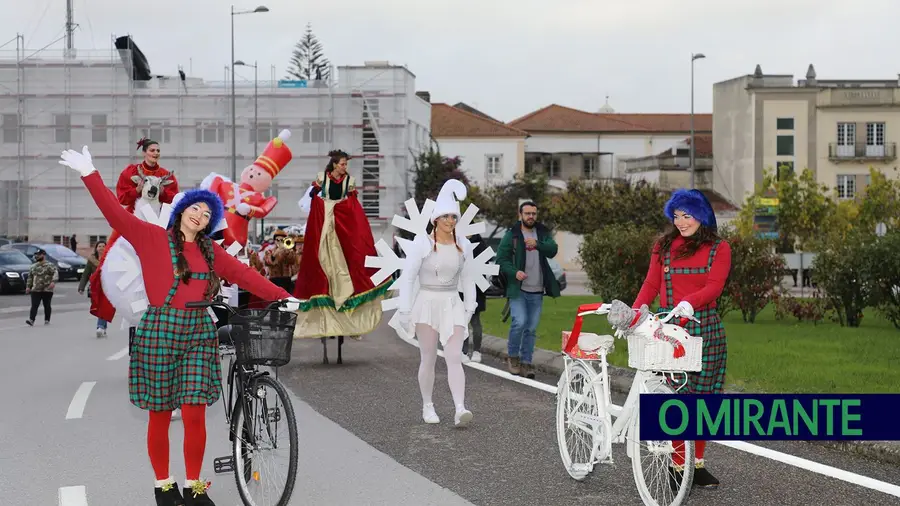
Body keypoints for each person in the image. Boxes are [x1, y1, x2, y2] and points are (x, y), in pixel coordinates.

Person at [59, 145, 300, 506]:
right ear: (181, 211)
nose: (200, 215)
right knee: (159, 414)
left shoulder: (210, 252)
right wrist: (89, 174)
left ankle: (195, 487)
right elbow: (113, 213)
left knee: (194, 415)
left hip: (197, 333)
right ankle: (164, 486)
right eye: (196, 208)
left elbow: (245, 275)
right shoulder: (150, 237)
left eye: (207, 213)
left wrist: (282, 294)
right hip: (159, 330)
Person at [632, 188, 732, 490]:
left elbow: (715, 285)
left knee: (702, 403)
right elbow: (651, 283)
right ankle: (677, 465)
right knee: (674, 400)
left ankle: (696, 464)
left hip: (705, 329)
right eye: (676, 216)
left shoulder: (719, 247)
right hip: (669, 330)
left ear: (702, 215)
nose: (681, 222)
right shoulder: (663, 246)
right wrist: (635, 313)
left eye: (687, 215)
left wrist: (692, 301)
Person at [391, 180, 477, 427]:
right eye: (446, 216)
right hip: (427, 302)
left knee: (454, 356)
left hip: (452, 302)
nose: (451, 220)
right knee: (428, 357)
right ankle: (428, 405)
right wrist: (405, 309)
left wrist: (470, 306)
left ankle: (460, 408)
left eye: (454, 216)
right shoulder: (422, 243)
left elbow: (468, 277)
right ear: (436, 219)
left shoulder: (464, 245)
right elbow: (408, 277)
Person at [293, 149, 392, 339]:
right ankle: (325, 317)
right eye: (342, 164)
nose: (345, 167)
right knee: (324, 260)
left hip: (341, 223)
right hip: (325, 223)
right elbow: (314, 199)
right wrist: (320, 202)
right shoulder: (322, 179)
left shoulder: (349, 182)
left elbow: (353, 207)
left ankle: (350, 319)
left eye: (346, 164)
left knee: (349, 259)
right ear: (334, 164)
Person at [89, 137, 180, 327]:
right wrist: (137, 189)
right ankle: (103, 307)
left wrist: (161, 192)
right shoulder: (130, 172)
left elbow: (174, 199)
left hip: (157, 223)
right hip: (131, 221)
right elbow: (121, 197)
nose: (156, 153)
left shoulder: (166, 174)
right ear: (144, 152)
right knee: (106, 257)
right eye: (152, 150)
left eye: (158, 151)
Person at [495, 200, 560, 379]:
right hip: (518, 290)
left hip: (537, 290)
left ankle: (526, 362)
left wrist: (538, 244)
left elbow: (553, 250)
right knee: (519, 322)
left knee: (531, 328)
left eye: (533, 214)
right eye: (527, 214)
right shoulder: (513, 235)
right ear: (520, 215)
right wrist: (514, 272)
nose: (531, 217)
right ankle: (513, 356)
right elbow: (501, 260)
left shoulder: (542, 232)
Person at [461, 233, 488, 363]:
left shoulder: (477, 245)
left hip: (475, 288)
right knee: (462, 321)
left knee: (474, 321)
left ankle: (475, 351)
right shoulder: (460, 242)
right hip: (461, 288)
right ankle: (464, 350)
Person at [78, 240, 109, 337]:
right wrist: (81, 287)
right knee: (99, 307)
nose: (101, 248)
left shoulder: (110, 259)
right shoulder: (91, 260)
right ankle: (103, 327)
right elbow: (86, 274)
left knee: (103, 307)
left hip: (107, 287)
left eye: (103, 246)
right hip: (95, 288)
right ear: (96, 248)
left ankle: (100, 326)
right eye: (99, 246)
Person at [25, 248, 58, 326]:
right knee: (34, 305)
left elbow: (55, 273)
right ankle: (31, 320)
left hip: (47, 289)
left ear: (43, 255)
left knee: (47, 305)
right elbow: (30, 277)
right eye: (36, 255)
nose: (37, 256)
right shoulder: (33, 266)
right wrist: (28, 286)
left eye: (39, 255)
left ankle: (47, 320)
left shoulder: (50, 265)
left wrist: (53, 282)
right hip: (36, 289)